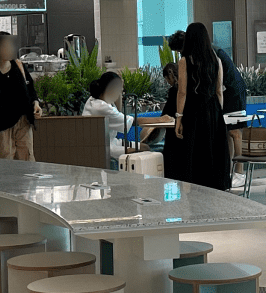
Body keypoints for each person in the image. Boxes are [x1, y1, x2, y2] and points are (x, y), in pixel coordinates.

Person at [169, 29, 246, 186]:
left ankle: (240, 172)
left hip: (233, 91)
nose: (180, 53)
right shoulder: (198, 55)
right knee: (225, 133)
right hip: (221, 94)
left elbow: (217, 82)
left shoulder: (211, 53)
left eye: (180, 50)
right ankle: (228, 170)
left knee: (235, 132)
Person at [0, 32, 42, 160]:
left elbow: (30, 90)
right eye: (5, 46)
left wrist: (36, 103)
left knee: (27, 161)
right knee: (4, 164)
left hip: (23, 123)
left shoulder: (19, 67)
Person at [81, 71, 155, 161]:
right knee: (143, 149)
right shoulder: (101, 107)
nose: (121, 92)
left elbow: (118, 112)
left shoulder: (94, 99)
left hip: (112, 142)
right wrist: (160, 120)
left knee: (144, 146)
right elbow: (132, 121)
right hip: (104, 147)